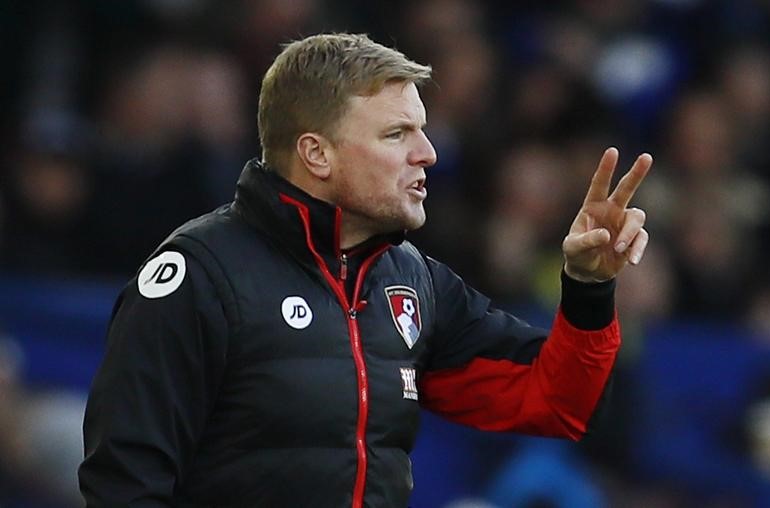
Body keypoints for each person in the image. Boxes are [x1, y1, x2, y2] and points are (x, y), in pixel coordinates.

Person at [79, 33, 651, 507]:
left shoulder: (413, 281)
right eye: (396, 133)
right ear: (316, 154)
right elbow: (125, 485)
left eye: (422, 129)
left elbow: (555, 401)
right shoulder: (199, 275)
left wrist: (590, 287)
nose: (426, 152)